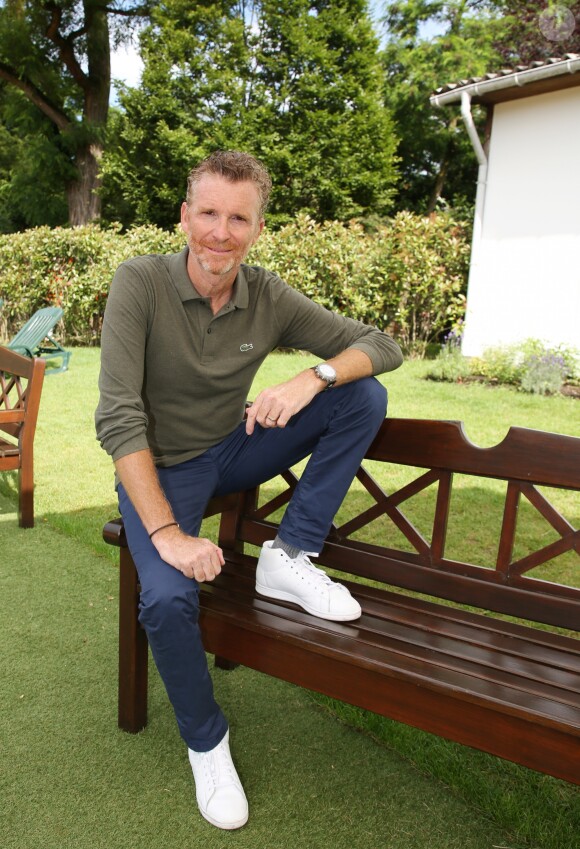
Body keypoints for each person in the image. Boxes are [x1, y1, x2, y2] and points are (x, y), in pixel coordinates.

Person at [95, 150, 403, 831]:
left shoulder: (266, 294)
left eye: (239, 218)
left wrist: (313, 377)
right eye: (208, 213)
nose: (221, 232)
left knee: (361, 396)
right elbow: (118, 418)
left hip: (232, 449)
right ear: (185, 217)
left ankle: (288, 556)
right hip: (161, 469)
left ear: (258, 228)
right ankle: (207, 740)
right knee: (169, 596)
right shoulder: (139, 283)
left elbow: (382, 343)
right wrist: (171, 535)